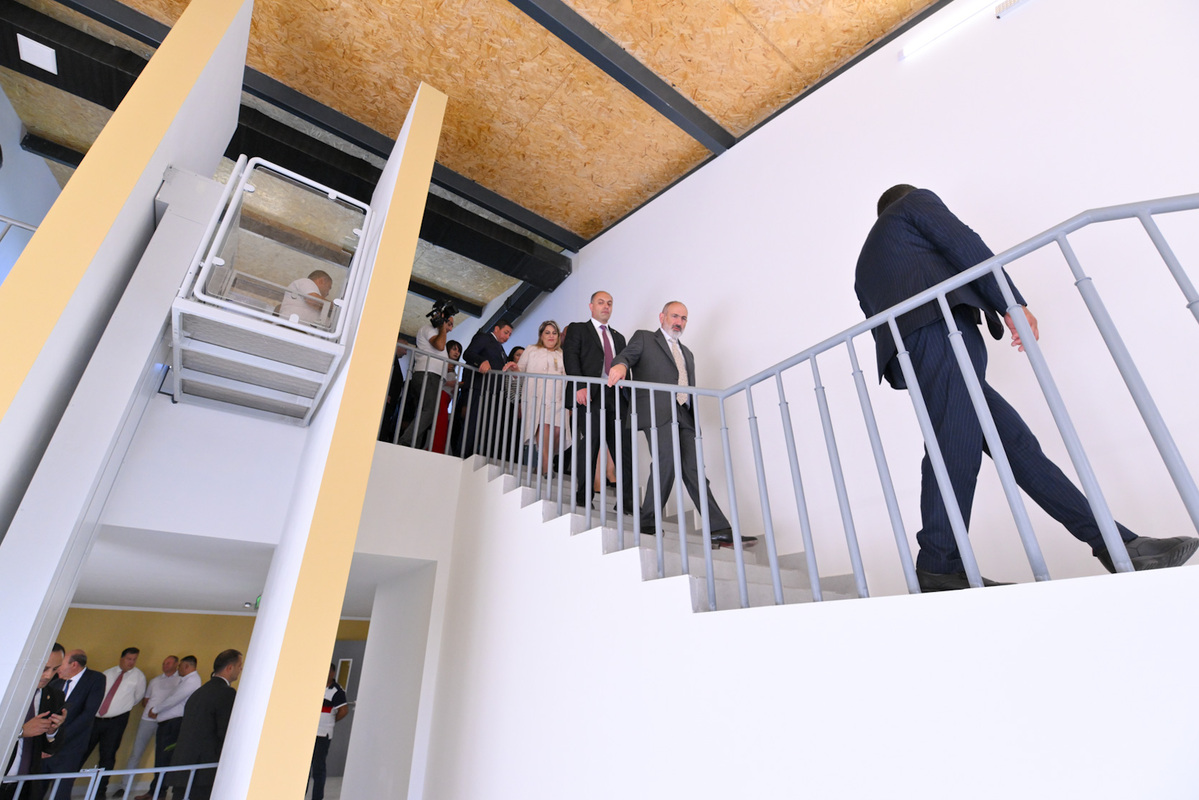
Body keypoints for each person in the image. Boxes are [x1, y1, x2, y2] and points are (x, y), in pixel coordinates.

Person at [854, 184, 1198, 590]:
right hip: (941, 332)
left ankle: (1118, 544)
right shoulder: (914, 203)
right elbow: (962, 241)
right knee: (953, 444)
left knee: (1017, 447)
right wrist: (1009, 303)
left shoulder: (864, 267)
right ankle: (938, 564)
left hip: (913, 356)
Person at [607, 302, 756, 547]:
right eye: (675, 316)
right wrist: (621, 365)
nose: (679, 322)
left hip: (685, 414)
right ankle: (647, 521)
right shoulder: (645, 338)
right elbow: (626, 356)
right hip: (658, 411)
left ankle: (718, 529)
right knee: (666, 462)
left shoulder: (687, 352)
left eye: (684, 318)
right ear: (662, 317)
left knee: (695, 470)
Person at [562, 291, 634, 512]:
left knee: (624, 448)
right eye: (601, 302)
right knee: (590, 443)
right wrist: (580, 385)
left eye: (609, 303)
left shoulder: (619, 337)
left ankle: (627, 502)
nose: (606, 306)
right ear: (591, 306)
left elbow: (625, 366)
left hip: (616, 396)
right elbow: (570, 356)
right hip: (590, 394)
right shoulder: (578, 329)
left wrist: (627, 392)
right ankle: (584, 496)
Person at [167, 649, 242, 800]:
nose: (241, 670)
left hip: (184, 765)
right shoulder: (226, 693)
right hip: (204, 769)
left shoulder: (199, 692)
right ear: (230, 668)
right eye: (240, 666)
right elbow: (225, 731)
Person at [3, 643, 65, 800]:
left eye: (55, 669)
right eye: (44, 668)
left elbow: (50, 749)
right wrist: (21, 731)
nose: (48, 676)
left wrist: (52, 731)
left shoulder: (55, 696)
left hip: (27, 785)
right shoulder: (4, 689)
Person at [84, 647, 147, 797]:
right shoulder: (108, 673)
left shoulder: (138, 677)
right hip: (95, 720)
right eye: (129, 659)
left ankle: (100, 791)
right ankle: (64, 785)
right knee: (82, 750)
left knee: (108, 755)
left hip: (116, 721)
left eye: (134, 659)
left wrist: (118, 708)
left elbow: (137, 698)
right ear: (121, 658)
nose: (131, 662)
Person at [44, 650, 105, 800]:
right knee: (36, 787)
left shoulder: (95, 679)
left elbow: (87, 715)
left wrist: (57, 739)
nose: (57, 669)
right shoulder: (55, 683)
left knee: (61, 791)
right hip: (46, 746)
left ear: (74, 665)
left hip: (71, 746)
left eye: (61, 664)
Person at [138, 655, 200, 800]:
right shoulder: (187, 680)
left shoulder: (192, 681)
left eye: (180, 666)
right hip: (169, 723)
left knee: (163, 759)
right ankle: (156, 791)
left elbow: (173, 700)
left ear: (187, 666)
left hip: (173, 724)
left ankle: (158, 793)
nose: (178, 669)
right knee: (162, 759)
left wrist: (155, 709)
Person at [119, 655, 179, 797]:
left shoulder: (180, 681)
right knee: (136, 752)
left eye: (168, 663)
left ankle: (158, 790)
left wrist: (159, 710)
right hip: (147, 720)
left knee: (163, 757)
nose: (165, 665)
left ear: (176, 664)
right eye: (164, 663)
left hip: (167, 721)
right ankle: (124, 786)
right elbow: (145, 700)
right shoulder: (155, 681)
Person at [400, 304, 455, 448]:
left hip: (431, 375)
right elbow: (440, 346)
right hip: (427, 374)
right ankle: (406, 441)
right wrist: (442, 327)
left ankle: (413, 445)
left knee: (424, 411)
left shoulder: (436, 332)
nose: (450, 329)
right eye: (449, 324)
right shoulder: (429, 329)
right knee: (430, 411)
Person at [459, 320, 518, 456]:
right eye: (506, 332)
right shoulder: (484, 338)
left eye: (509, 334)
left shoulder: (501, 349)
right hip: (480, 388)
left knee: (485, 427)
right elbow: (468, 354)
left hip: (493, 392)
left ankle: (476, 456)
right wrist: (481, 361)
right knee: (473, 424)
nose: (507, 337)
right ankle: (462, 455)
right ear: (496, 329)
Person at [518, 321, 569, 475]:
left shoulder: (562, 354)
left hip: (558, 398)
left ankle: (541, 465)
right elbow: (520, 370)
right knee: (543, 428)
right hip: (537, 397)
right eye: (547, 333)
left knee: (557, 432)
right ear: (541, 335)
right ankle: (547, 467)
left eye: (554, 333)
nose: (551, 336)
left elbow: (567, 377)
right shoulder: (531, 350)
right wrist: (514, 369)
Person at [308, 664, 348, 800]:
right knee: (304, 768)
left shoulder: (337, 691)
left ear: (333, 673)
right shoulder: (315, 686)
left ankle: (317, 798)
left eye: (329, 671)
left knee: (318, 768)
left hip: (323, 734)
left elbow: (343, 710)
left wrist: (330, 721)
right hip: (310, 732)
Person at [431, 340, 462, 453]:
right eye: (454, 349)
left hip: (446, 399)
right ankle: (436, 450)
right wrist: (453, 384)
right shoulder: (443, 363)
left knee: (443, 426)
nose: (457, 352)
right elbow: (437, 380)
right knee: (441, 425)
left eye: (458, 350)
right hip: (441, 397)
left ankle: (437, 449)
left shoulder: (451, 367)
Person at [378, 340, 407, 443]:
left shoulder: (394, 360)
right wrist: (385, 392)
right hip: (385, 401)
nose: (405, 353)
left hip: (390, 402)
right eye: (405, 349)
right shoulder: (389, 359)